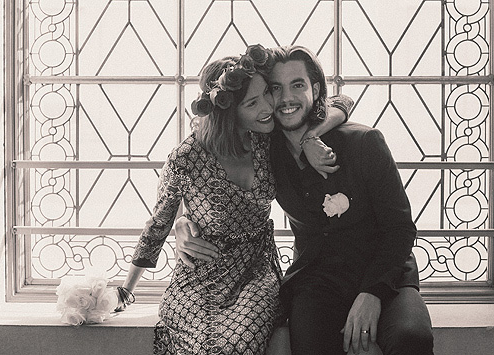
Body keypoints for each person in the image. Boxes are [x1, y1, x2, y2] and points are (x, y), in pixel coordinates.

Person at [176, 45, 434, 355]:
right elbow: (206, 169)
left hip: (386, 277)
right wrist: (183, 221)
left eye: (297, 85)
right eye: (275, 88)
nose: (285, 98)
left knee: (411, 338)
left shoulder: (364, 143)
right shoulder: (265, 151)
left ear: (314, 89)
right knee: (310, 343)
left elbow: (400, 229)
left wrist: (372, 294)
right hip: (317, 281)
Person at [115, 44, 353, 355]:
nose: (268, 106)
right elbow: (158, 224)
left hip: (256, 271)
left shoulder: (268, 139)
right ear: (228, 111)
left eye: (266, 93)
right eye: (253, 103)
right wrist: (126, 289)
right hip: (200, 276)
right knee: (203, 343)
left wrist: (309, 137)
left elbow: (343, 100)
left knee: (234, 344)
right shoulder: (185, 159)